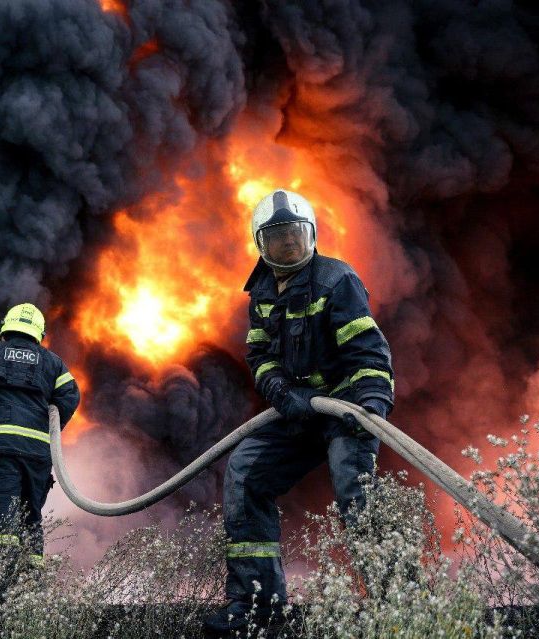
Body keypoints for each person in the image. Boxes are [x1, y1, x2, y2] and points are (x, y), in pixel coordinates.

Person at [204, 190, 395, 632]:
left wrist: (369, 408)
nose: (289, 247)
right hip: (299, 411)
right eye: (279, 240)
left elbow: (369, 353)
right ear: (261, 245)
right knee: (245, 471)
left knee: (356, 491)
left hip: (345, 406)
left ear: (312, 237)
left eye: (296, 237)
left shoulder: (337, 280)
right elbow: (259, 356)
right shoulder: (263, 293)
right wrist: (282, 394)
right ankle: (257, 607)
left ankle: (394, 603)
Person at [0, 302, 80, 565]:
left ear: (6, 327)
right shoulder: (52, 362)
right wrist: (48, 426)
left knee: (3, 515)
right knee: (31, 517)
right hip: (37, 452)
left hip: (0, 447)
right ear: (39, 333)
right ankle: (30, 586)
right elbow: (70, 395)